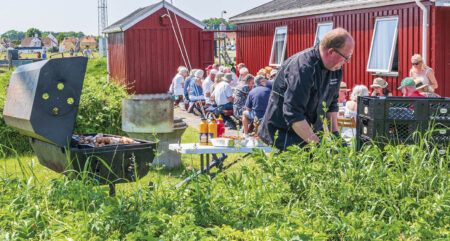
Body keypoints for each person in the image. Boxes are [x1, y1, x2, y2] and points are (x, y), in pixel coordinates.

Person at [258, 28, 355, 150]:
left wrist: (336, 137)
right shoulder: (302, 68)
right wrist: (318, 147)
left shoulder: (335, 69)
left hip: (309, 134)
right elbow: (293, 113)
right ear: (331, 52)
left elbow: (332, 104)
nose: (347, 62)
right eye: (346, 57)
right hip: (284, 136)